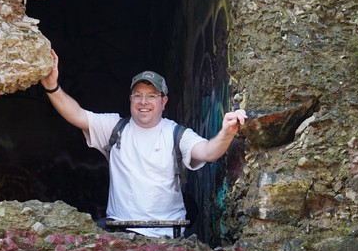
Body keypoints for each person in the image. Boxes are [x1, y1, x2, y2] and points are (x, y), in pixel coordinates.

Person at [40, 50, 247, 237]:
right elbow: (76, 114)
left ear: (163, 101)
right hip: (121, 232)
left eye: (151, 96)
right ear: (130, 99)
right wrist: (52, 87)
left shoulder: (176, 133)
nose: (143, 102)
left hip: (167, 234)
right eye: (137, 96)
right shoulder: (115, 128)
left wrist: (227, 132)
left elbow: (208, 152)